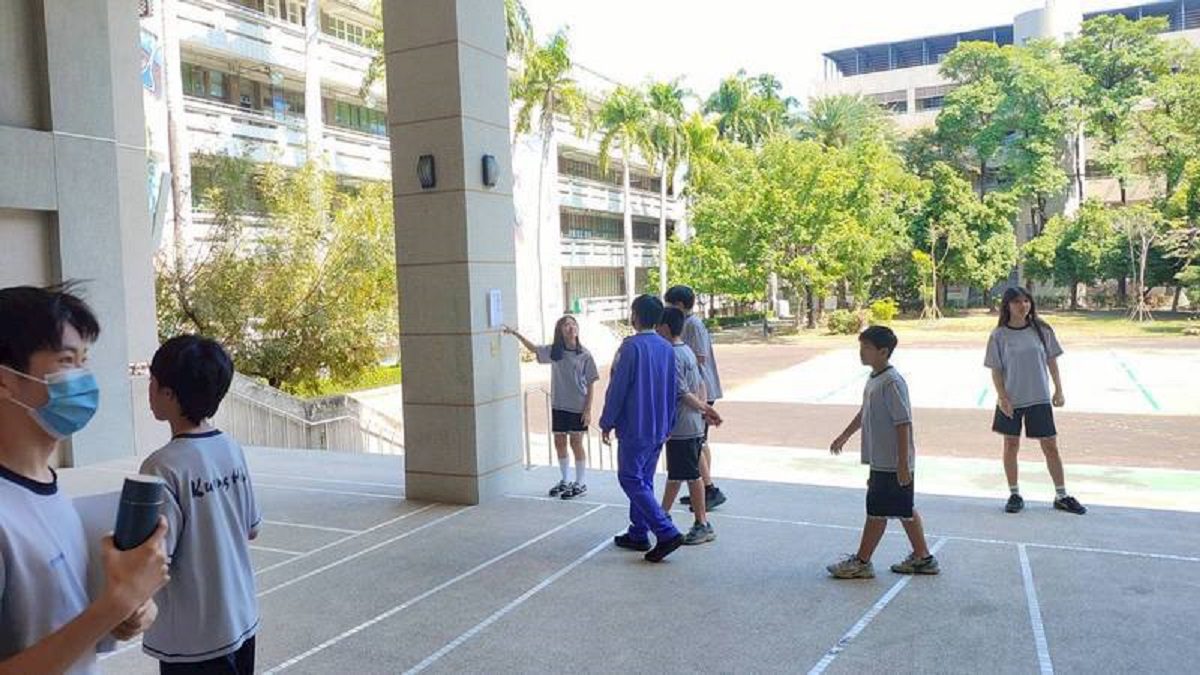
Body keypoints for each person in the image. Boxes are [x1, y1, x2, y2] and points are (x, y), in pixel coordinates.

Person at [0, 284, 169, 674]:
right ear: (5, 380)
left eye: (84, 360)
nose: (84, 378)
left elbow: (61, 626)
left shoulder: (50, 489)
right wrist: (114, 603)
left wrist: (123, 613)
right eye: (66, 361)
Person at [140, 335, 262, 673]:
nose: (149, 390)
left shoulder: (161, 466)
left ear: (169, 394)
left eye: (152, 381)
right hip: (240, 618)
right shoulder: (231, 449)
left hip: (193, 638)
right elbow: (252, 528)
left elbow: (155, 557)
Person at [827, 326, 939, 579]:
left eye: (866, 348)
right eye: (861, 347)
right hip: (881, 460)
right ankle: (923, 557)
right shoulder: (874, 379)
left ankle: (862, 561)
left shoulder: (892, 382)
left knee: (877, 511)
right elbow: (864, 411)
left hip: (893, 463)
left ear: (883, 352)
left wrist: (902, 463)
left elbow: (903, 423)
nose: (861, 352)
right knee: (903, 509)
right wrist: (845, 435)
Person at [986, 286, 1086, 515]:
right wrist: (1002, 397)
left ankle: (1061, 495)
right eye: (1017, 302)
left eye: (1026, 301)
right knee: (1011, 445)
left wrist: (1058, 390)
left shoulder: (1042, 330)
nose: (1023, 306)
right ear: (1007, 306)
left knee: (1050, 446)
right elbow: (996, 370)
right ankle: (1014, 494)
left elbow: (1052, 362)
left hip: (1039, 397)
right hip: (1011, 400)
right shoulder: (999, 335)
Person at [601, 295, 683, 563]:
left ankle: (665, 530)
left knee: (630, 478)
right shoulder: (666, 348)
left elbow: (618, 388)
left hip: (635, 425)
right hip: (659, 424)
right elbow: (673, 389)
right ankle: (638, 532)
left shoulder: (630, 347)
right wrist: (669, 421)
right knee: (644, 479)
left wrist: (607, 420)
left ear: (635, 315)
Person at [504, 317, 599, 500]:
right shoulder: (555, 352)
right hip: (559, 404)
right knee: (559, 442)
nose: (571, 327)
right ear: (560, 331)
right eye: (566, 325)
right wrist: (516, 334)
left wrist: (587, 409)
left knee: (576, 443)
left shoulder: (585, 355)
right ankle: (565, 479)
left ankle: (580, 482)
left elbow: (591, 383)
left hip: (577, 406)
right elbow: (535, 349)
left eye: (573, 324)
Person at [656, 307, 722, 546]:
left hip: (682, 426)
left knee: (692, 476)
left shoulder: (672, 355)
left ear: (664, 327)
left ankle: (701, 523)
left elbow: (682, 392)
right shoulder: (687, 351)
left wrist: (705, 409)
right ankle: (661, 515)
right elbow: (701, 384)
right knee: (678, 473)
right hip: (689, 424)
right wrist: (704, 409)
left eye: (657, 326)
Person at [664, 286, 727, 510]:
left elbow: (700, 356)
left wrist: (680, 355)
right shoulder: (686, 324)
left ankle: (708, 488)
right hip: (695, 389)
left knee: (697, 441)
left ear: (680, 305)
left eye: (670, 304)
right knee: (698, 441)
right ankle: (702, 487)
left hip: (701, 389)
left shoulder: (693, 325)